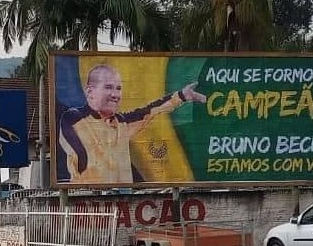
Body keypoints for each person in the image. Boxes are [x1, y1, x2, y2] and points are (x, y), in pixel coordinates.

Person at [57, 63, 206, 184]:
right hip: (89, 204)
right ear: (90, 92)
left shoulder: (122, 123)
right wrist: (83, 161)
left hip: (124, 202)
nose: (115, 95)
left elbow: (151, 110)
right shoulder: (74, 118)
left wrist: (182, 96)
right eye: (108, 87)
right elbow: (70, 140)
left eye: (118, 88)